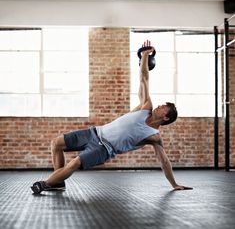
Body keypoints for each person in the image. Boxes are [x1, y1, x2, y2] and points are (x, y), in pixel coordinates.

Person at [31, 40, 192, 194]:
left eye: (164, 108)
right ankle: (57, 182)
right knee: (56, 143)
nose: (160, 106)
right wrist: (144, 56)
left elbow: (164, 162)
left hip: (103, 149)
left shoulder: (153, 136)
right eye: (162, 104)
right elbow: (144, 78)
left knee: (74, 162)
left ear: (166, 118)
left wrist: (174, 184)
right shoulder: (145, 107)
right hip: (94, 133)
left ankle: (46, 184)